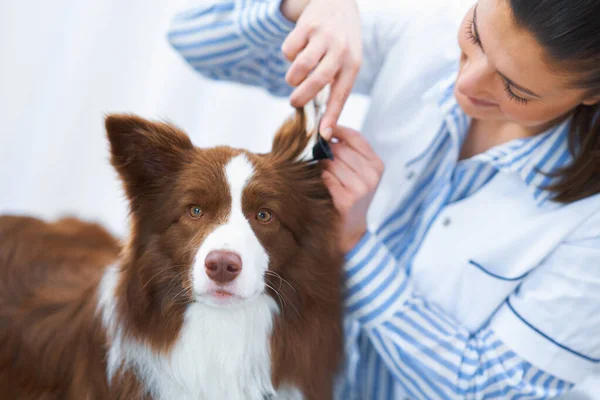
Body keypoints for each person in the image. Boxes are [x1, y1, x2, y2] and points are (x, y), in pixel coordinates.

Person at [167, 0, 600, 398]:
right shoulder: (425, 36)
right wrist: (307, 6)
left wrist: (356, 245)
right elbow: (191, 38)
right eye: (475, 36)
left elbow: (490, 386)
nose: (466, 82)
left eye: (516, 89)